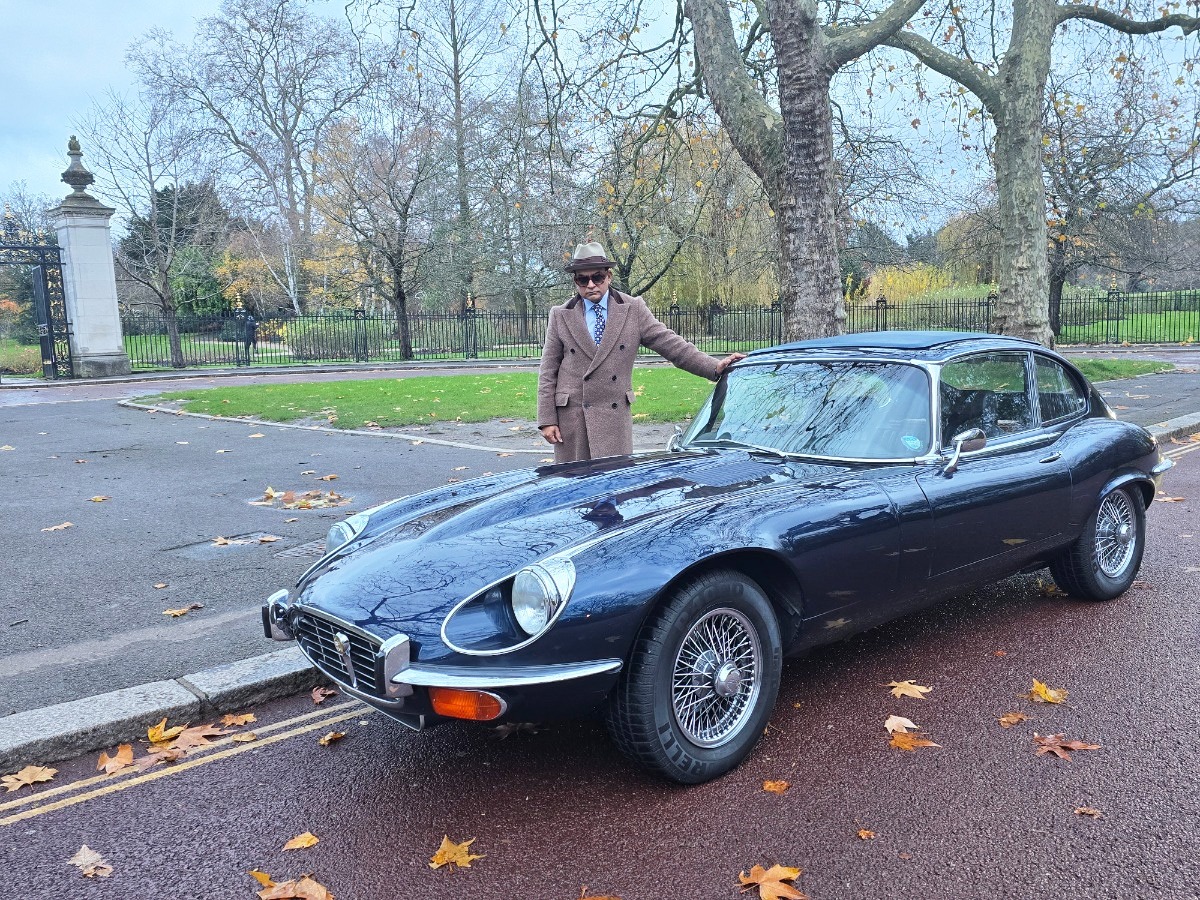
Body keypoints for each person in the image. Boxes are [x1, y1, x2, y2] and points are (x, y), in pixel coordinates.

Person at [537, 242, 745, 463]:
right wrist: (547, 419)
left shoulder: (633, 309)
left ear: (609, 276)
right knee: (573, 481)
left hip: (613, 419)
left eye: (597, 277)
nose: (591, 285)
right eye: (583, 279)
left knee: (615, 479)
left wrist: (713, 366)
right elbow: (548, 371)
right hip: (573, 419)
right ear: (575, 281)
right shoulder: (560, 315)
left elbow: (670, 344)